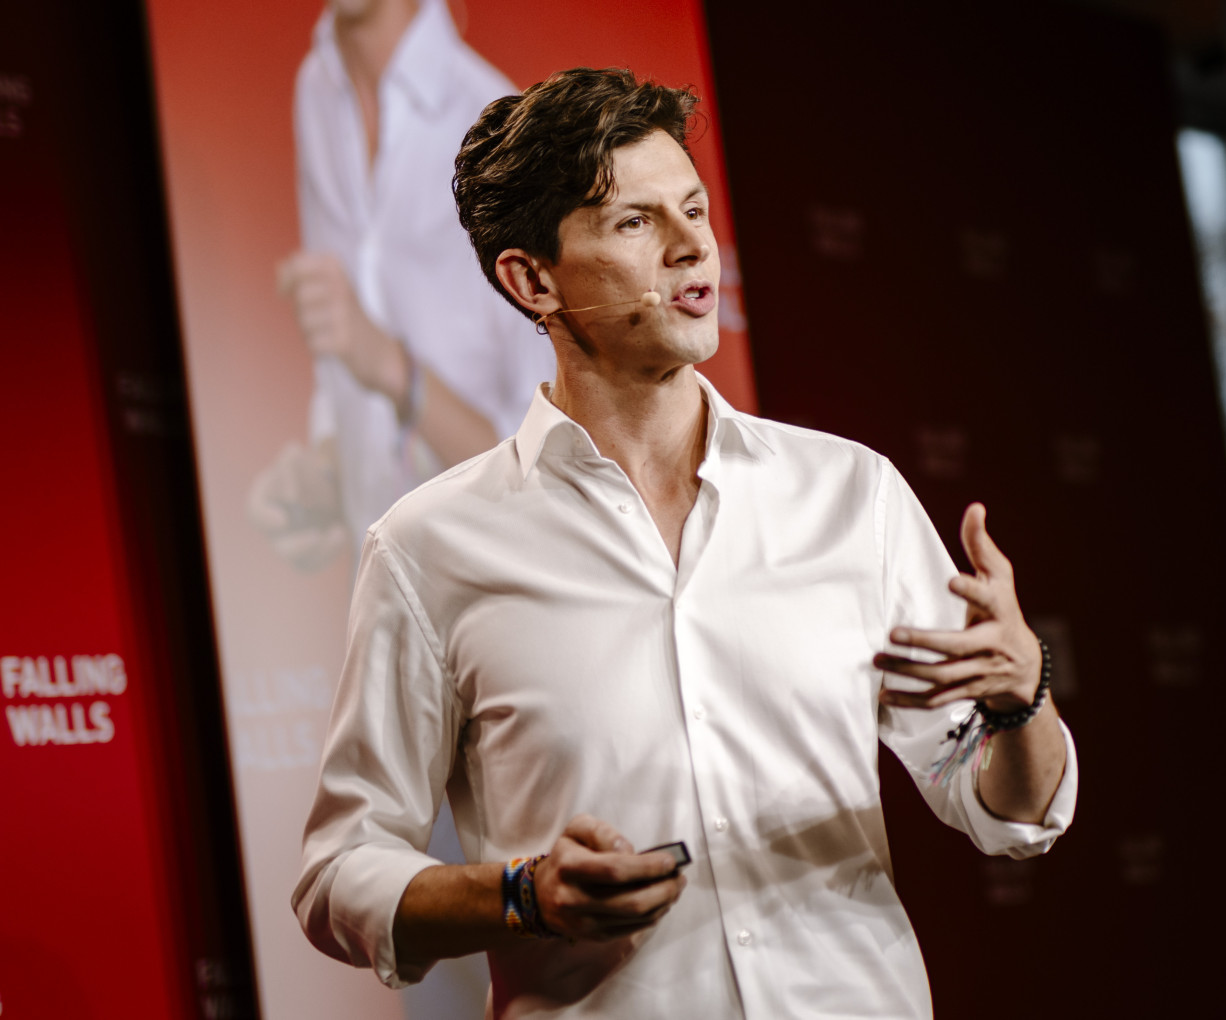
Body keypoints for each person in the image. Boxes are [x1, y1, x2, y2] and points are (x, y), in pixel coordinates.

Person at [293, 67, 1077, 1018]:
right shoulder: (429, 547)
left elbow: (1005, 812)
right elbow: (340, 871)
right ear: (531, 279)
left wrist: (1020, 699)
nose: (692, 245)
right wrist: (521, 898)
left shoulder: (849, 495)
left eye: (694, 208)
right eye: (634, 222)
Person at [248, 0, 553, 570]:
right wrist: (322, 481)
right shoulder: (317, 88)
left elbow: (543, 471)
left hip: (494, 593)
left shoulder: (498, 125)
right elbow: (343, 370)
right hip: (381, 592)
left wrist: (393, 368)